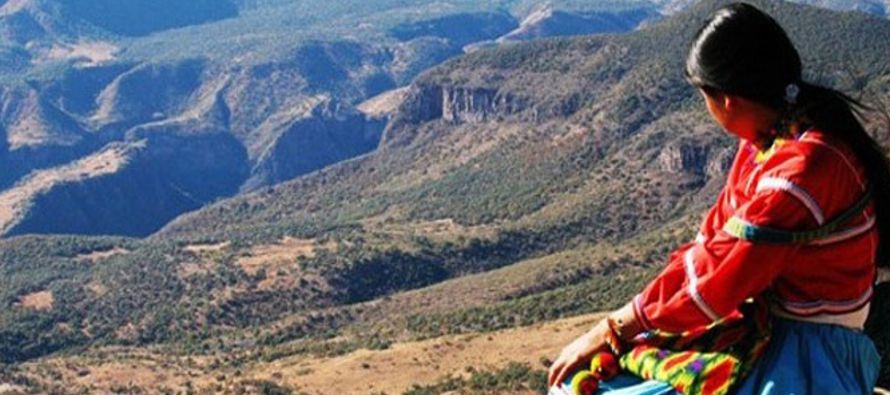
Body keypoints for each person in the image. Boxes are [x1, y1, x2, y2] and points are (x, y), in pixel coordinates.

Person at [548, 2, 888, 394]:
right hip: (771, 325)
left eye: (703, 97)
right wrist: (619, 324)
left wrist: (617, 326)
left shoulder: (801, 173)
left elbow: (721, 280)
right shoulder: (768, 144)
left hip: (808, 352)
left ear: (726, 99)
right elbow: (710, 248)